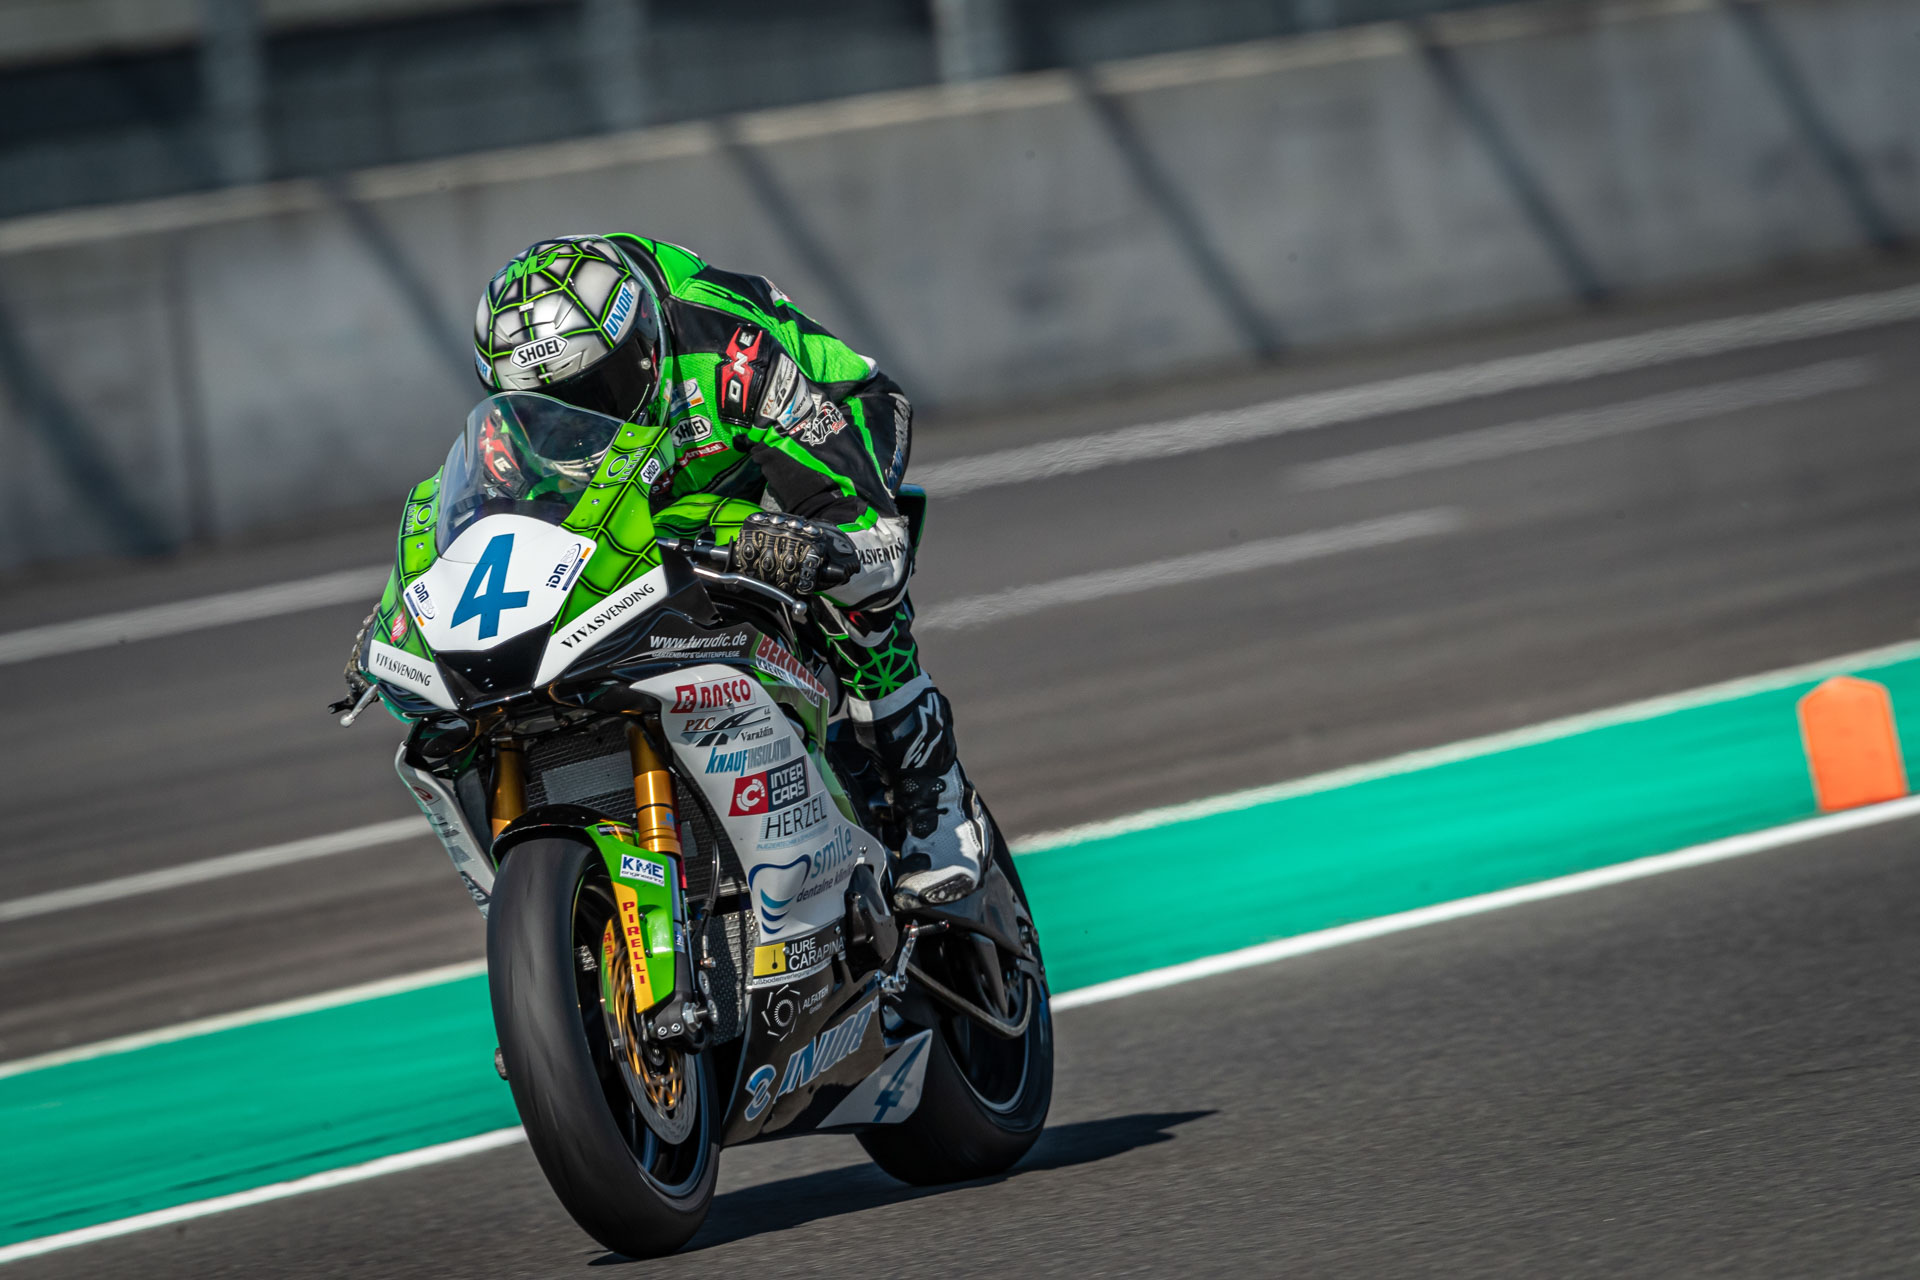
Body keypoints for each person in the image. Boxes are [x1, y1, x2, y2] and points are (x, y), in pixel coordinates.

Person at [353, 234, 990, 908]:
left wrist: (829, 548)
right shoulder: (514, 435)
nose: (583, 421)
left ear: (645, 347)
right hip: (662, 490)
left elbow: (870, 540)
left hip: (815, 427)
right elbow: (495, 534)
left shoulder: (731, 359)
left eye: (598, 391)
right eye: (553, 410)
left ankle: (934, 796)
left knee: (858, 591)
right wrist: (412, 613)